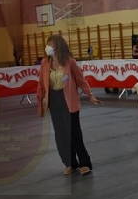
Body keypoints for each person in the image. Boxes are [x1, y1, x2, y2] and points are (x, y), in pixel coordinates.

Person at [37, 35, 103, 176]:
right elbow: (41, 84)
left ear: (59, 46)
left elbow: (81, 80)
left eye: (52, 45)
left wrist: (90, 95)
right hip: (54, 100)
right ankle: (70, 163)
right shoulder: (44, 63)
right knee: (60, 134)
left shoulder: (70, 62)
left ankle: (85, 163)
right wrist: (40, 101)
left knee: (74, 133)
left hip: (68, 99)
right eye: (48, 44)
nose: (49, 47)